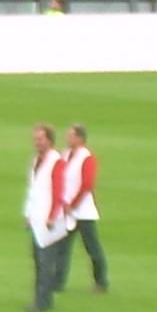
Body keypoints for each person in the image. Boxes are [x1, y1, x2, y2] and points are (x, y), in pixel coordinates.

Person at [24, 123, 70, 312]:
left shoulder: (56, 161)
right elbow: (33, 190)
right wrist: (27, 214)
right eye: (35, 139)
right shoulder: (36, 160)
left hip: (49, 219)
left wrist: (53, 216)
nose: (37, 142)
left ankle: (42, 302)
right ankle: (43, 299)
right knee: (38, 259)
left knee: (44, 261)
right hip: (36, 217)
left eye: (40, 139)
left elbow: (59, 191)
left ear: (49, 140)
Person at [58, 123, 108, 292]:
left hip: (83, 212)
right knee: (62, 248)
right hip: (67, 211)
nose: (67, 138)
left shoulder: (87, 157)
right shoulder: (65, 155)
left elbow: (87, 184)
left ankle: (101, 282)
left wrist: (72, 205)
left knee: (92, 248)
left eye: (70, 136)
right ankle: (58, 282)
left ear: (79, 138)